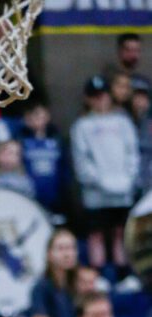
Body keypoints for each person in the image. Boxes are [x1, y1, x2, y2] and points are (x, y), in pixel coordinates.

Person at [71, 76, 139, 268]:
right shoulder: (81, 126)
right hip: (96, 193)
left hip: (123, 191)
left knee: (121, 232)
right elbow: (81, 161)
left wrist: (127, 179)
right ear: (88, 98)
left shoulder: (123, 122)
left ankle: (122, 272)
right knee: (96, 234)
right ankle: (97, 273)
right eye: (95, 96)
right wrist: (100, 182)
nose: (100, 100)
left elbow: (132, 153)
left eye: (103, 95)